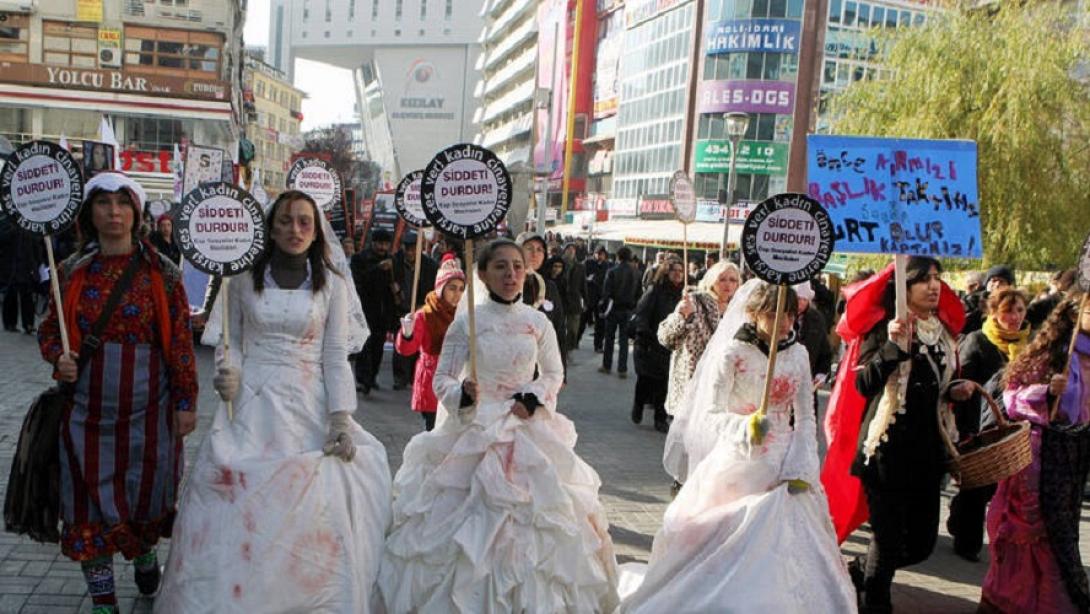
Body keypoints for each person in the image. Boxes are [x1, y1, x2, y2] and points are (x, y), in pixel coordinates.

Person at [156, 190, 392, 612]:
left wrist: (340, 417)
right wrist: (226, 372)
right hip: (250, 403)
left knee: (315, 506)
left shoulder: (332, 282)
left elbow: (335, 354)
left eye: (304, 221)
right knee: (238, 496)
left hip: (309, 402)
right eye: (285, 220)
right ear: (269, 226)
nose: (295, 229)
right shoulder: (242, 277)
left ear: (317, 229)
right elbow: (234, 342)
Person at [378, 239, 619, 612]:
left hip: (526, 428)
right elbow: (441, 379)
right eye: (501, 267)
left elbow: (554, 372)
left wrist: (533, 396)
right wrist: (464, 394)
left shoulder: (537, 321)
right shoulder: (467, 323)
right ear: (484, 274)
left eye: (517, 266)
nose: (511, 274)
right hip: (475, 427)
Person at [618, 281, 856, 613]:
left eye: (789, 314)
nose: (784, 323)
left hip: (786, 464)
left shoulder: (799, 353)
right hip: (740, 461)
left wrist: (801, 464)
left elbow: (804, 418)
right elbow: (711, 413)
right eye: (774, 314)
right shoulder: (734, 352)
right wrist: (744, 427)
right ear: (755, 312)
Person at [37, 172, 199, 614]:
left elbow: (181, 343)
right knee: (87, 506)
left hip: (150, 412)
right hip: (85, 414)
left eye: (122, 203)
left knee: (145, 497)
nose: (113, 212)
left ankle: (145, 555)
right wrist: (58, 357)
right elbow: (50, 331)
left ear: (137, 212)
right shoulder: (69, 272)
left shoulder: (162, 274)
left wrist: (186, 403)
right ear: (90, 213)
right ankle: (104, 601)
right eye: (104, 203)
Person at [821, 257, 971, 614]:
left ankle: (861, 570)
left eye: (937, 279)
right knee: (887, 543)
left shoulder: (942, 331)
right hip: (886, 450)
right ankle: (875, 601)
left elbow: (938, 384)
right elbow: (864, 383)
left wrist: (954, 391)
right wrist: (892, 349)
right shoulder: (885, 327)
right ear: (904, 287)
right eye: (923, 280)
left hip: (928, 452)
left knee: (920, 544)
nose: (933, 286)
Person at [979, 295, 1090, 613]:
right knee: (1030, 540)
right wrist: (1046, 391)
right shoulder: (1051, 354)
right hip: (1037, 463)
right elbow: (1011, 398)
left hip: (1073, 464)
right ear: (1074, 315)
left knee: (1059, 544)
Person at [946, 288, 1030, 562]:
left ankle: (958, 513)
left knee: (994, 487)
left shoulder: (1026, 344)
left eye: (1019, 310)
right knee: (977, 485)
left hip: (1009, 426)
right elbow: (962, 382)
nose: (1014, 317)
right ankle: (967, 542)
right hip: (976, 423)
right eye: (1008, 310)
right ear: (993, 312)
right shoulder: (979, 340)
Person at [660, 261, 741, 485]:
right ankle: (683, 482)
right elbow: (666, 337)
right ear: (711, 281)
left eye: (733, 279)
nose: (727, 284)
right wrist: (683, 318)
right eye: (722, 279)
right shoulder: (695, 302)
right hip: (693, 382)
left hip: (724, 385)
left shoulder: (741, 310)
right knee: (690, 438)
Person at [395, 255, 466, 431]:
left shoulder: (465, 315)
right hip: (432, 383)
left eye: (461, 289)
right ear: (441, 288)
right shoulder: (424, 315)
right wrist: (407, 334)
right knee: (435, 432)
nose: (457, 294)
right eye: (452, 288)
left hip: (458, 380)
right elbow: (406, 350)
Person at [632, 255, 685, 432]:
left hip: (672, 344)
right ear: (667, 272)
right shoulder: (656, 291)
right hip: (651, 342)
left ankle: (660, 418)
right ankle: (638, 405)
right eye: (674, 271)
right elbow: (642, 313)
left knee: (665, 382)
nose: (678, 274)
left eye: (680, 271)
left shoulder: (685, 295)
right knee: (645, 379)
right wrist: (644, 333)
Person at [351, 228, 398, 394]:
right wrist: (377, 268)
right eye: (379, 243)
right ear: (373, 243)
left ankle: (372, 377)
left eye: (385, 244)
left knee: (378, 346)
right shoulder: (360, 259)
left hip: (383, 311)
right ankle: (363, 378)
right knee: (365, 345)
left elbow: (396, 284)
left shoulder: (392, 261)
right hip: (364, 309)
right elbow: (358, 281)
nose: (382, 247)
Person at [392, 232, 438, 391]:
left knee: (417, 344)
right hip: (401, 308)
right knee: (401, 342)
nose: (410, 253)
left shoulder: (430, 266)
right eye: (407, 249)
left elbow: (434, 289)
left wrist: (424, 306)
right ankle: (400, 377)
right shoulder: (395, 262)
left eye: (413, 249)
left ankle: (413, 376)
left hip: (420, 309)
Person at [516, 231, 567, 366]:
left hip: (542, 366)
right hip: (512, 366)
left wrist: (562, 371)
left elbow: (559, 328)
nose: (535, 254)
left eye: (540, 250)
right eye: (529, 248)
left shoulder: (549, 287)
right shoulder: (507, 284)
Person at [599, 246, 641, 377]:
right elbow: (639, 293)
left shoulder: (612, 271)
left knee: (610, 338)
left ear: (618, 256)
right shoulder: (636, 273)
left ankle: (607, 365)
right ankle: (622, 369)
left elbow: (606, 293)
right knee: (624, 340)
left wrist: (603, 308)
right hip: (628, 310)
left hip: (613, 308)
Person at [3, 229, 44, 334]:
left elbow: (37, 248)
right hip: (13, 266)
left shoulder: (30, 230)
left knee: (26, 296)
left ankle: (27, 324)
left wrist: (38, 265)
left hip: (25, 266)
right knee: (11, 295)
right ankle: (11, 323)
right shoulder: (9, 227)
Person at [795, 281, 833, 393]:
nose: (800, 303)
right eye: (798, 299)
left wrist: (822, 373)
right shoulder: (782, 318)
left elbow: (824, 351)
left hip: (808, 381)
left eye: (804, 300)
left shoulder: (816, 319)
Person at [963, 265, 1015, 334]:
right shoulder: (973, 300)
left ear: (1008, 286)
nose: (997, 284)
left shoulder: (1014, 303)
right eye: (994, 280)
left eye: (1002, 281)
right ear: (987, 284)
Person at [562, 243, 588, 351]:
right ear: (565, 250)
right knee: (560, 326)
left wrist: (586, 300)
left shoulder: (580, 267)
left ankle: (569, 348)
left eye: (573, 249)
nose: (571, 251)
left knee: (573, 328)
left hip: (574, 300)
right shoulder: (559, 264)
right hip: (561, 298)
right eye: (569, 249)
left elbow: (583, 285)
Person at [583, 246, 609, 352]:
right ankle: (574, 341)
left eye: (602, 254)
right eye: (598, 254)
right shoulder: (588, 263)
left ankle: (598, 345)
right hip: (589, 296)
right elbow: (582, 276)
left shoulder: (607, 266)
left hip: (601, 298)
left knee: (600, 323)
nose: (600, 256)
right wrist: (588, 279)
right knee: (582, 320)